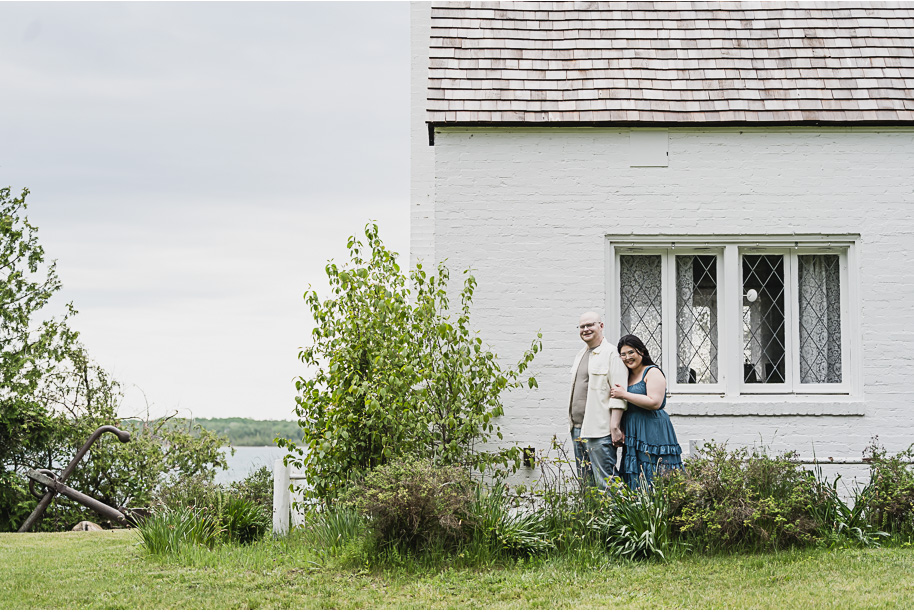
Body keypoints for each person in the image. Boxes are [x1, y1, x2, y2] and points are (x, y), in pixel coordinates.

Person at [609, 334, 683, 489]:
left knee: (655, 469)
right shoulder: (626, 375)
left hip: (652, 427)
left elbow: (654, 402)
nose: (627, 357)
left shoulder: (652, 372)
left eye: (631, 352)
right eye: (623, 354)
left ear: (641, 351)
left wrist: (624, 394)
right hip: (633, 428)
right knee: (636, 473)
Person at [568, 312, 629, 491]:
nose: (585, 329)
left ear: (601, 326)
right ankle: (593, 519)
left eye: (590, 325)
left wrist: (615, 427)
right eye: (582, 326)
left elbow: (619, 394)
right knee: (586, 484)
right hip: (577, 429)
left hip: (599, 431)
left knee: (606, 482)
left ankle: (618, 518)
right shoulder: (581, 354)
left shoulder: (612, 354)